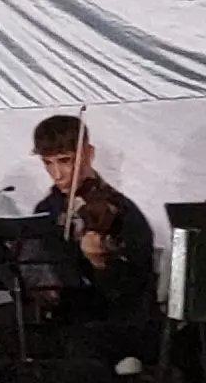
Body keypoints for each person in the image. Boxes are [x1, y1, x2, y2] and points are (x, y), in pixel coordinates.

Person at [26, 114, 159, 319]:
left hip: (112, 320)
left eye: (65, 161)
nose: (57, 174)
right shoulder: (47, 208)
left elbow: (136, 290)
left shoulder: (121, 210)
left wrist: (100, 263)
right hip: (61, 315)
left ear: (88, 153)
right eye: (48, 163)